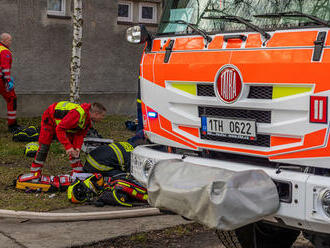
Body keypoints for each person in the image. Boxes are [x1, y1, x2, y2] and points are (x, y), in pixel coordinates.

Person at [19, 101, 106, 184]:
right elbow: (60, 129)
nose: (103, 118)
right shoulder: (77, 114)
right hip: (50, 118)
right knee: (44, 146)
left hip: (65, 124)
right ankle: (35, 172)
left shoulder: (87, 120)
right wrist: (68, 147)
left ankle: (78, 172)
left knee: (74, 150)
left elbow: (79, 134)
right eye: (102, 116)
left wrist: (77, 148)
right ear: (96, 114)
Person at [0, 33, 20, 133]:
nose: (11, 42)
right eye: (10, 40)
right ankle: (12, 125)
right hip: (1, 80)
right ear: (4, 40)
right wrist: (8, 81)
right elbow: (5, 68)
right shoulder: (5, 51)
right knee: (12, 99)